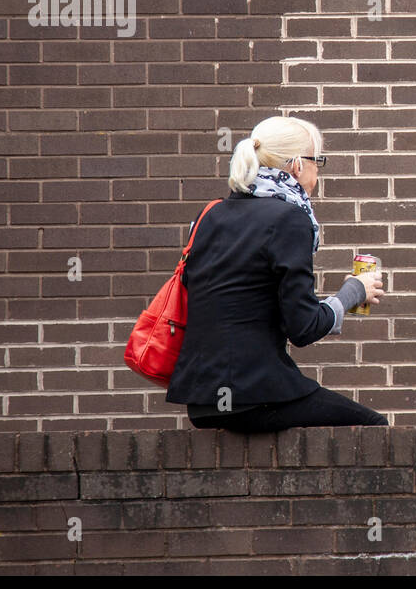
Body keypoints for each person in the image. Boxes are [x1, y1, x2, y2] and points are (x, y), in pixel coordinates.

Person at [166, 115, 388, 431]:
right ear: (297, 165)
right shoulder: (289, 219)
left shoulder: (210, 215)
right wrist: (353, 292)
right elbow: (303, 327)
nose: (317, 173)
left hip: (201, 400)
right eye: (317, 161)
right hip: (254, 392)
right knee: (373, 428)